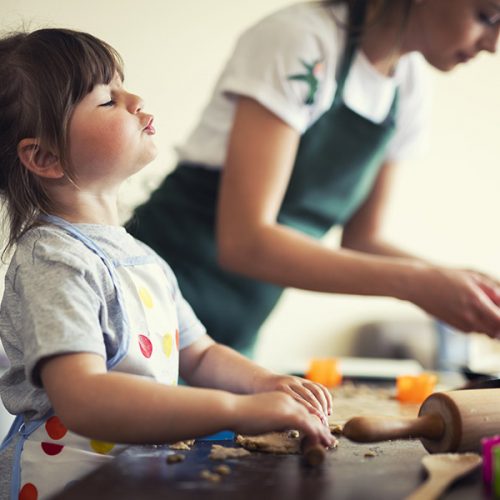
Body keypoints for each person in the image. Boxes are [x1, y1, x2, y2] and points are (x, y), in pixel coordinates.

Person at [0, 28, 334, 500]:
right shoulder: (52, 260)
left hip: (130, 478)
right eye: (107, 100)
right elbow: (83, 398)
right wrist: (234, 411)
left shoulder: (143, 258)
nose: (134, 99)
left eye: (125, 86)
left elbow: (199, 353)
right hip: (64, 484)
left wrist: (265, 383)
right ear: (45, 157)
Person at [129, 0, 500, 356]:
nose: (494, 44)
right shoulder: (299, 41)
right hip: (150, 311)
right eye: (487, 16)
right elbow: (245, 242)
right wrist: (418, 284)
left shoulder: (408, 86)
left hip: (230, 339)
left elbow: (363, 239)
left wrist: (465, 286)